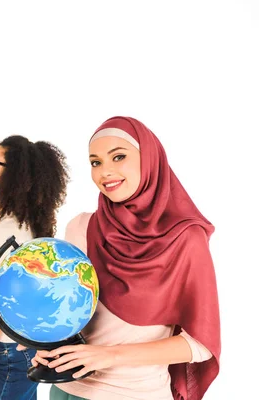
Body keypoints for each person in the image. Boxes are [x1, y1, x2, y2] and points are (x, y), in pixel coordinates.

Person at [30, 117, 221, 400]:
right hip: (66, 391)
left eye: (118, 157)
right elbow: (64, 312)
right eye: (95, 162)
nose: (105, 172)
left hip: (134, 393)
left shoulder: (184, 238)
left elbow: (200, 344)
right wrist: (42, 342)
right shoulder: (81, 227)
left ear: (150, 160)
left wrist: (107, 357)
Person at [0, 135, 70, 399]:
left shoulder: (9, 233)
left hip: (7, 355)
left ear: (15, 174)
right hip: (18, 352)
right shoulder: (17, 226)